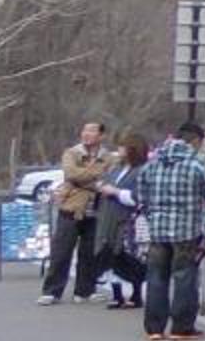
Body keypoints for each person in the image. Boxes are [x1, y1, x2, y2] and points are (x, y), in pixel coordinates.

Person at [130, 123, 205, 341]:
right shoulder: (196, 165)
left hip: (157, 231)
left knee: (156, 277)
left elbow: (139, 197)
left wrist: (154, 213)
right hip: (187, 231)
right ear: (195, 141)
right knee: (184, 278)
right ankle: (182, 327)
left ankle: (154, 328)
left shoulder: (151, 165)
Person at [38, 119, 111, 305]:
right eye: (84, 130)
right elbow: (71, 174)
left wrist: (83, 178)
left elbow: (109, 177)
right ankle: (52, 291)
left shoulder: (108, 156)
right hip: (71, 206)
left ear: (101, 135)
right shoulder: (71, 153)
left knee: (89, 253)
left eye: (92, 131)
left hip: (96, 209)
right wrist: (96, 178)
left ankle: (85, 291)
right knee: (61, 251)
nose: (86, 134)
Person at [93, 131, 150, 311]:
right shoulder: (117, 168)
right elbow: (105, 181)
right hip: (108, 216)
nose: (119, 150)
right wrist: (102, 186)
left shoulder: (141, 170)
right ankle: (117, 294)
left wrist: (115, 192)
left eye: (122, 147)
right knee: (109, 255)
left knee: (128, 257)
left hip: (127, 219)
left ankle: (135, 293)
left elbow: (138, 197)